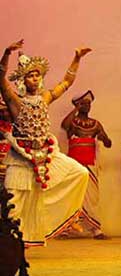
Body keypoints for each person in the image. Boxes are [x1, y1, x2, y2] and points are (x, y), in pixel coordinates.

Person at [0, 39, 90, 246]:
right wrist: (6, 54)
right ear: (23, 80)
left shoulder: (45, 97)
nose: (34, 78)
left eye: (37, 74)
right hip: (20, 158)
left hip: (46, 154)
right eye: (30, 75)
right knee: (13, 205)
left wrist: (76, 58)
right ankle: (8, 248)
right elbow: (1, 79)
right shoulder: (15, 101)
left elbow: (66, 83)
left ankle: (54, 224)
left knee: (80, 173)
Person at [60, 90, 112, 239]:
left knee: (93, 198)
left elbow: (108, 143)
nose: (87, 106)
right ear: (77, 105)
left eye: (89, 103)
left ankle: (96, 229)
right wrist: (75, 109)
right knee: (72, 196)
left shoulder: (96, 124)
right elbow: (64, 125)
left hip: (90, 164)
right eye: (83, 103)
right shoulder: (73, 122)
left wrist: (103, 139)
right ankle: (66, 229)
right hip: (74, 165)